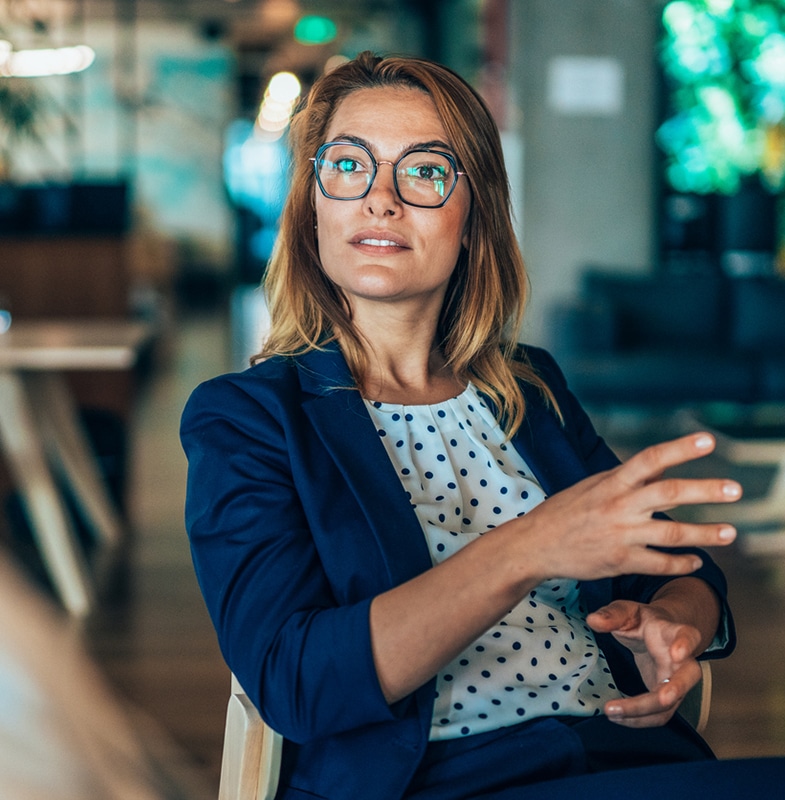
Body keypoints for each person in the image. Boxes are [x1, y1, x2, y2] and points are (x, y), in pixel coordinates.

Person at [181, 52, 741, 799]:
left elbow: (678, 569)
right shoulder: (248, 418)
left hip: (618, 755)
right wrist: (526, 550)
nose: (380, 199)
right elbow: (296, 680)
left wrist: (674, 623)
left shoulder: (528, 387)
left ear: (473, 216)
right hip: (437, 779)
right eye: (349, 165)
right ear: (311, 204)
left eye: (425, 171)